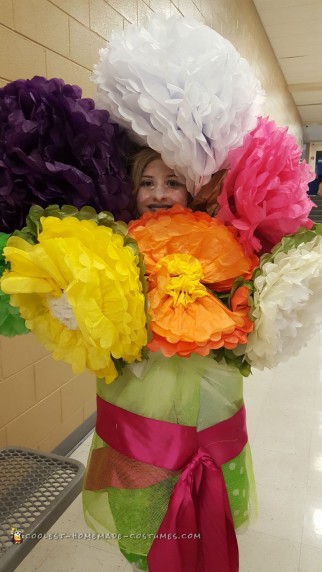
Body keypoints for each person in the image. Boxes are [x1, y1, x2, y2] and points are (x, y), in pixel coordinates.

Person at [83, 148, 256, 572]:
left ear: (191, 190)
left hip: (206, 406)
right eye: (147, 182)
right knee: (144, 515)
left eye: (172, 182)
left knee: (207, 512)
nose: (159, 194)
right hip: (140, 410)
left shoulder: (218, 242)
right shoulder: (113, 246)